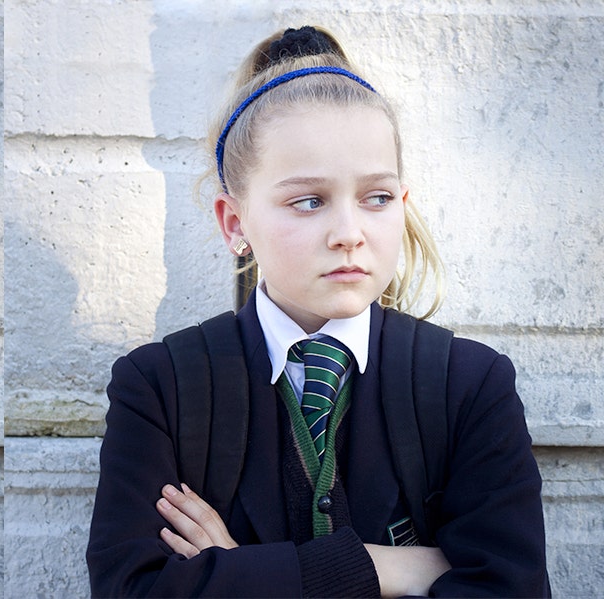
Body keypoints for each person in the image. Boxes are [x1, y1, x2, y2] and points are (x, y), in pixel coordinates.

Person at [86, 26, 548, 597]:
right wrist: (391, 568)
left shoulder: (470, 386)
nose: (349, 234)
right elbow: (133, 590)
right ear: (235, 224)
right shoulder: (160, 387)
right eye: (308, 201)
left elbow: (509, 588)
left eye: (376, 198)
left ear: (401, 205)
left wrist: (239, 574)